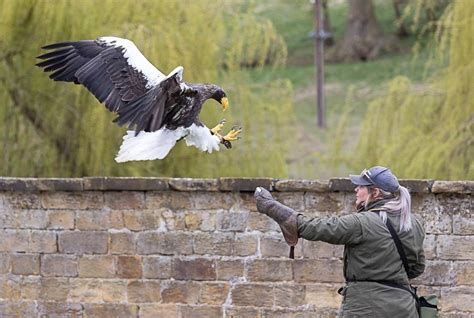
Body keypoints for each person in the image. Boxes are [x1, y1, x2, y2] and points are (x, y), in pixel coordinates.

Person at [254, 166, 425, 317]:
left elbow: (316, 227)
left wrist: (272, 208)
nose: (356, 190)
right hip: (404, 307)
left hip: (365, 309)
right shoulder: (414, 223)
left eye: (361, 187)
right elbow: (417, 268)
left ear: (375, 193)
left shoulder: (362, 222)